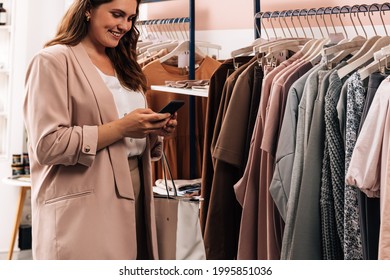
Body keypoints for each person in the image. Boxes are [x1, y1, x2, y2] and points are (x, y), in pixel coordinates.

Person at [23, 0, 177, 260]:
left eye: (130, 18)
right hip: (85, 197)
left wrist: (152, 131)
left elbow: (128, 135)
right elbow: (47, 146)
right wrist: (122, 127)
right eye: (117, 15)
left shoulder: (124, 62)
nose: (124, 26)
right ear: (88, 9)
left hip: (137, 187)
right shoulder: (52, 61)